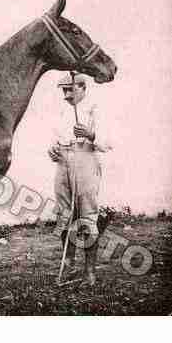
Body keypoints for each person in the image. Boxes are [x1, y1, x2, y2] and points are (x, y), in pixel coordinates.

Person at [48, 72, 112, 285]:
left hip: (85, 161)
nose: (66, 95)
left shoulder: (96, 110)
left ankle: (90, 271)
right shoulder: (60, 111)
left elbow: (108, 143)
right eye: (64, 90)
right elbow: (54, 140)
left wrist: (91, 134)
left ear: (83, 88)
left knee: (86, 215)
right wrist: (53, 151)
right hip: (63, 163)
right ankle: (68, 263)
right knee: (64, 215)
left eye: (70, 90)